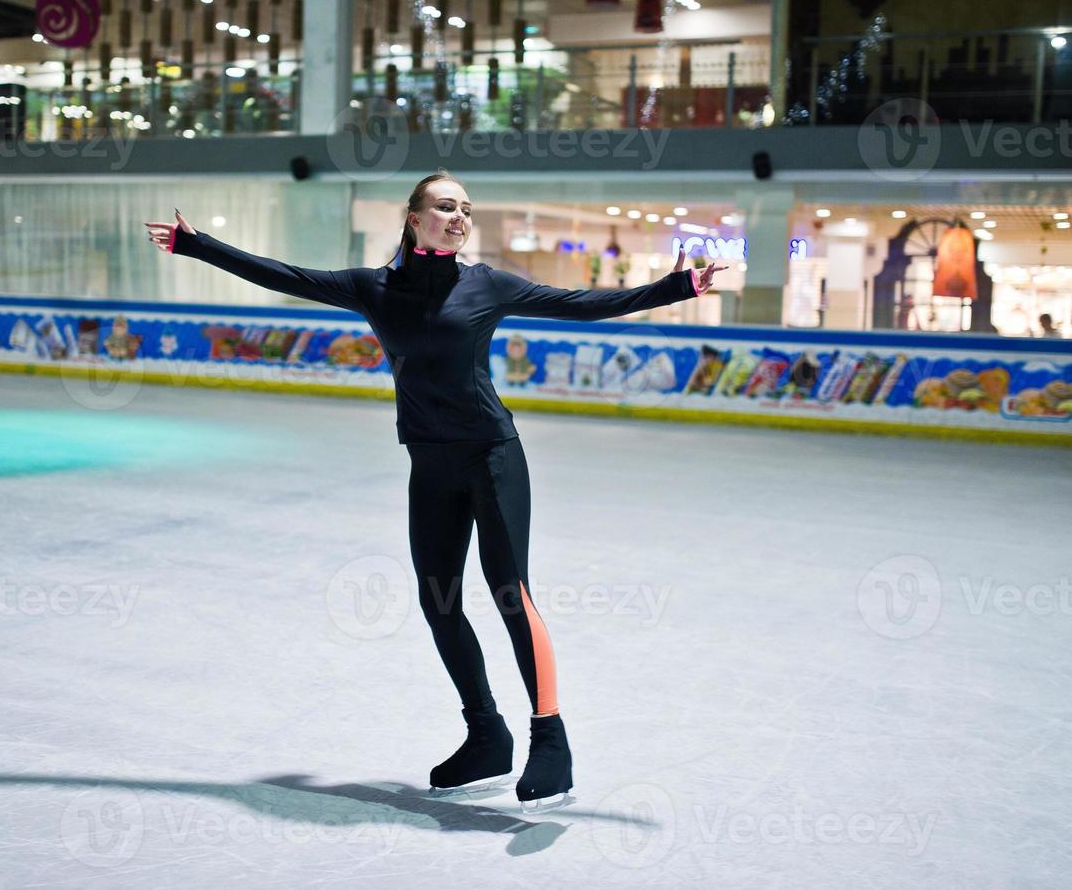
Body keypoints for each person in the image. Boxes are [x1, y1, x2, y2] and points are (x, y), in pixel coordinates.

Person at [145, 170, 724, 811]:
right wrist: (195, 245)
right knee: (438, 600)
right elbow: (287, 276)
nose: (459, 218)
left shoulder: (486, 285)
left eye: (466, 210)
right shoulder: (373, 288)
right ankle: (486, 735)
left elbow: (579, 302)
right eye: (446, 207)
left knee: (510, 594)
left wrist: (675, 286)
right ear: (414, 217)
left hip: (492, 457)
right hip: (430, 463)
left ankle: (550, 740)